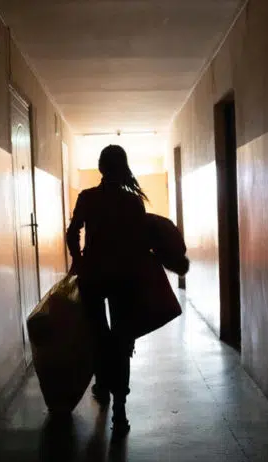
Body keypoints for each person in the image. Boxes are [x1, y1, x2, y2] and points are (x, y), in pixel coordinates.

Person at [66, 144, 150, 436]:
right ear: (123, 167)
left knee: (99, 336)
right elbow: (141, 244)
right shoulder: (133, 202)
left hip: (93, 278)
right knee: (122, 341)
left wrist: (78, 260)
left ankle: (102, 384)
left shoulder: (87, 198)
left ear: (101, 168)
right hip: (124, 279)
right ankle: (120, 411)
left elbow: (72, 232)